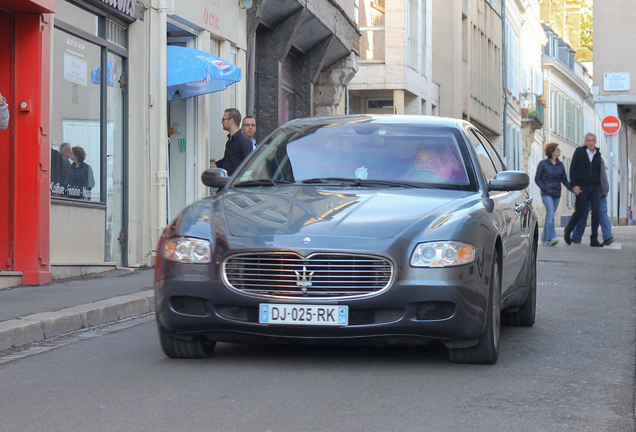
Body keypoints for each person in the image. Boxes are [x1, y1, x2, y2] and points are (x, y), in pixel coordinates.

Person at [534, 143, 580, 246]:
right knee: (551, 214)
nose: (559, 151)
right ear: (552, 151)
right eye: (558, 149)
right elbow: (537, 178)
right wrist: (544, 187)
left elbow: (564, 180)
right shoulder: (543, 164)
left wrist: (573, 189)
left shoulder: (560, 165)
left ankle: (544, 239)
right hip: (546, 193)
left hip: (556, 193)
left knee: (549, 215)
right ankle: (551, 238)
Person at [564, 133, 603, 247]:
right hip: (582, 187)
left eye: (593, 141)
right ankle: (568, 230)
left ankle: (594, 239)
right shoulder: (579, 152)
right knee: (580, 211)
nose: (591, 143)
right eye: (589, 140)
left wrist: (599, 187)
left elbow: (598, 171)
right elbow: (573, 169)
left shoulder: (597, 154)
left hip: (594, 187)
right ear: (585, 142)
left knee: (596, 212)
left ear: (595, 142)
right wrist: (574, 186)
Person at [571, 156, 614, 246]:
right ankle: (608, 236)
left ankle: (576, 236)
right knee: (602, 213)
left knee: (582, 213)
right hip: (601, 190)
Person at [211, 108, 253, 176]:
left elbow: (249, 165)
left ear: (231, 121)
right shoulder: (230, 140)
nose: (222, 122)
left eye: (223, 119)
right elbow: (226, 162)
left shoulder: (243, 141)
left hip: (237, 184)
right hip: (229, 182)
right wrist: (207, 165)